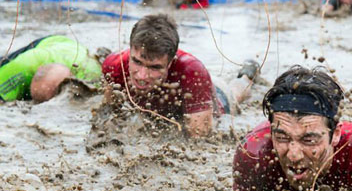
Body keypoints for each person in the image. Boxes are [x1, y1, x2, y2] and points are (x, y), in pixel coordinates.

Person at [102, 14, 257, 138]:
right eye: (137, 62)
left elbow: (200, 139)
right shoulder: (114, 65)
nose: (142, 76)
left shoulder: (191, 72)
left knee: (235, 93)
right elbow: (108, 113)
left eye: (155, 67)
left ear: (170, 63)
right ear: (130, 52)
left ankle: (247, 75)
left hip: (214, 99)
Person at [0, 36, 102, 105]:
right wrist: (4, 112)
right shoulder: (22, 66)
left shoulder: (90, 75)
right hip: (45, 46)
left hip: (69, 48)